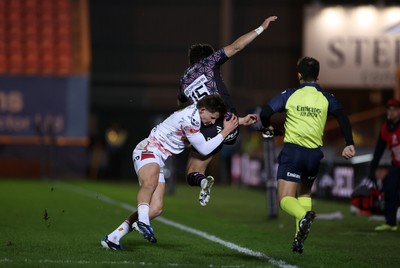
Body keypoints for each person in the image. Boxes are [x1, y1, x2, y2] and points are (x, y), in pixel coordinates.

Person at [101, 95, 239, 250]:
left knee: (156, 209)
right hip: (148, 149)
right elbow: (205, 149)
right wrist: (226, 131)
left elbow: (216, 123)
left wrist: (243, 120)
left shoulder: (199, 112)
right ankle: (143, 222)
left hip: (158, 157)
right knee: (150, 183)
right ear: (202, 110)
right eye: (213, 118)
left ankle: (113, 238)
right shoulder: (190, 119)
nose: (213, 122)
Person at [259, 56, 356, 254]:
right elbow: (343, 118)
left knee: (285, 199)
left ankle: (304, 216)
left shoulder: (291, 94)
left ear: (299, 75)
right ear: (317, 76)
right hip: (313, 156)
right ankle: (298, 241)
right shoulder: (327, 98)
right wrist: (349, 143)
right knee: (304, 193)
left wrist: (268, 126)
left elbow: (266, 111)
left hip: (293, 152)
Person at [178, 16, 278, 206]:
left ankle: (203, 181)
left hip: (208, 126)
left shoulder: (183, 79)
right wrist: (260, 28)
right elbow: (237, 46)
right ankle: (205, 178)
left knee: (192, 171)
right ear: (208, 57)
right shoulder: (209, 63)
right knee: (209, 151)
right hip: (229, 123)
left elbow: (181, 101)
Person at [368, 98, 400, 231]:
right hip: (397, 164)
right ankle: (390, 223)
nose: (392, 112)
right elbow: (378, 150)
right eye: (389, 110)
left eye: (394, 109)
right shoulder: (385, 128)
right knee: (389, 189)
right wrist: (372, 169)